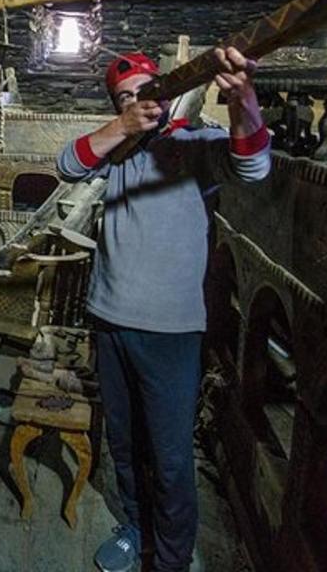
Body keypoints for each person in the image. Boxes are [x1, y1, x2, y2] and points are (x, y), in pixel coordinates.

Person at [56, 47, 271, 572]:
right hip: (109, 320)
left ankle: (172, 559)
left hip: (171, 332)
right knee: (124, 444)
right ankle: (134, 526)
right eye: (125, 98)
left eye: (147, 93)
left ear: (168, 96)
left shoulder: (195, 145)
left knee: (171, 458)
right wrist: (121, 124)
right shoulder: (116, 148)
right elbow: (66, 163)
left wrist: (244, 99)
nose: (138, 104)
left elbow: (254, 164)